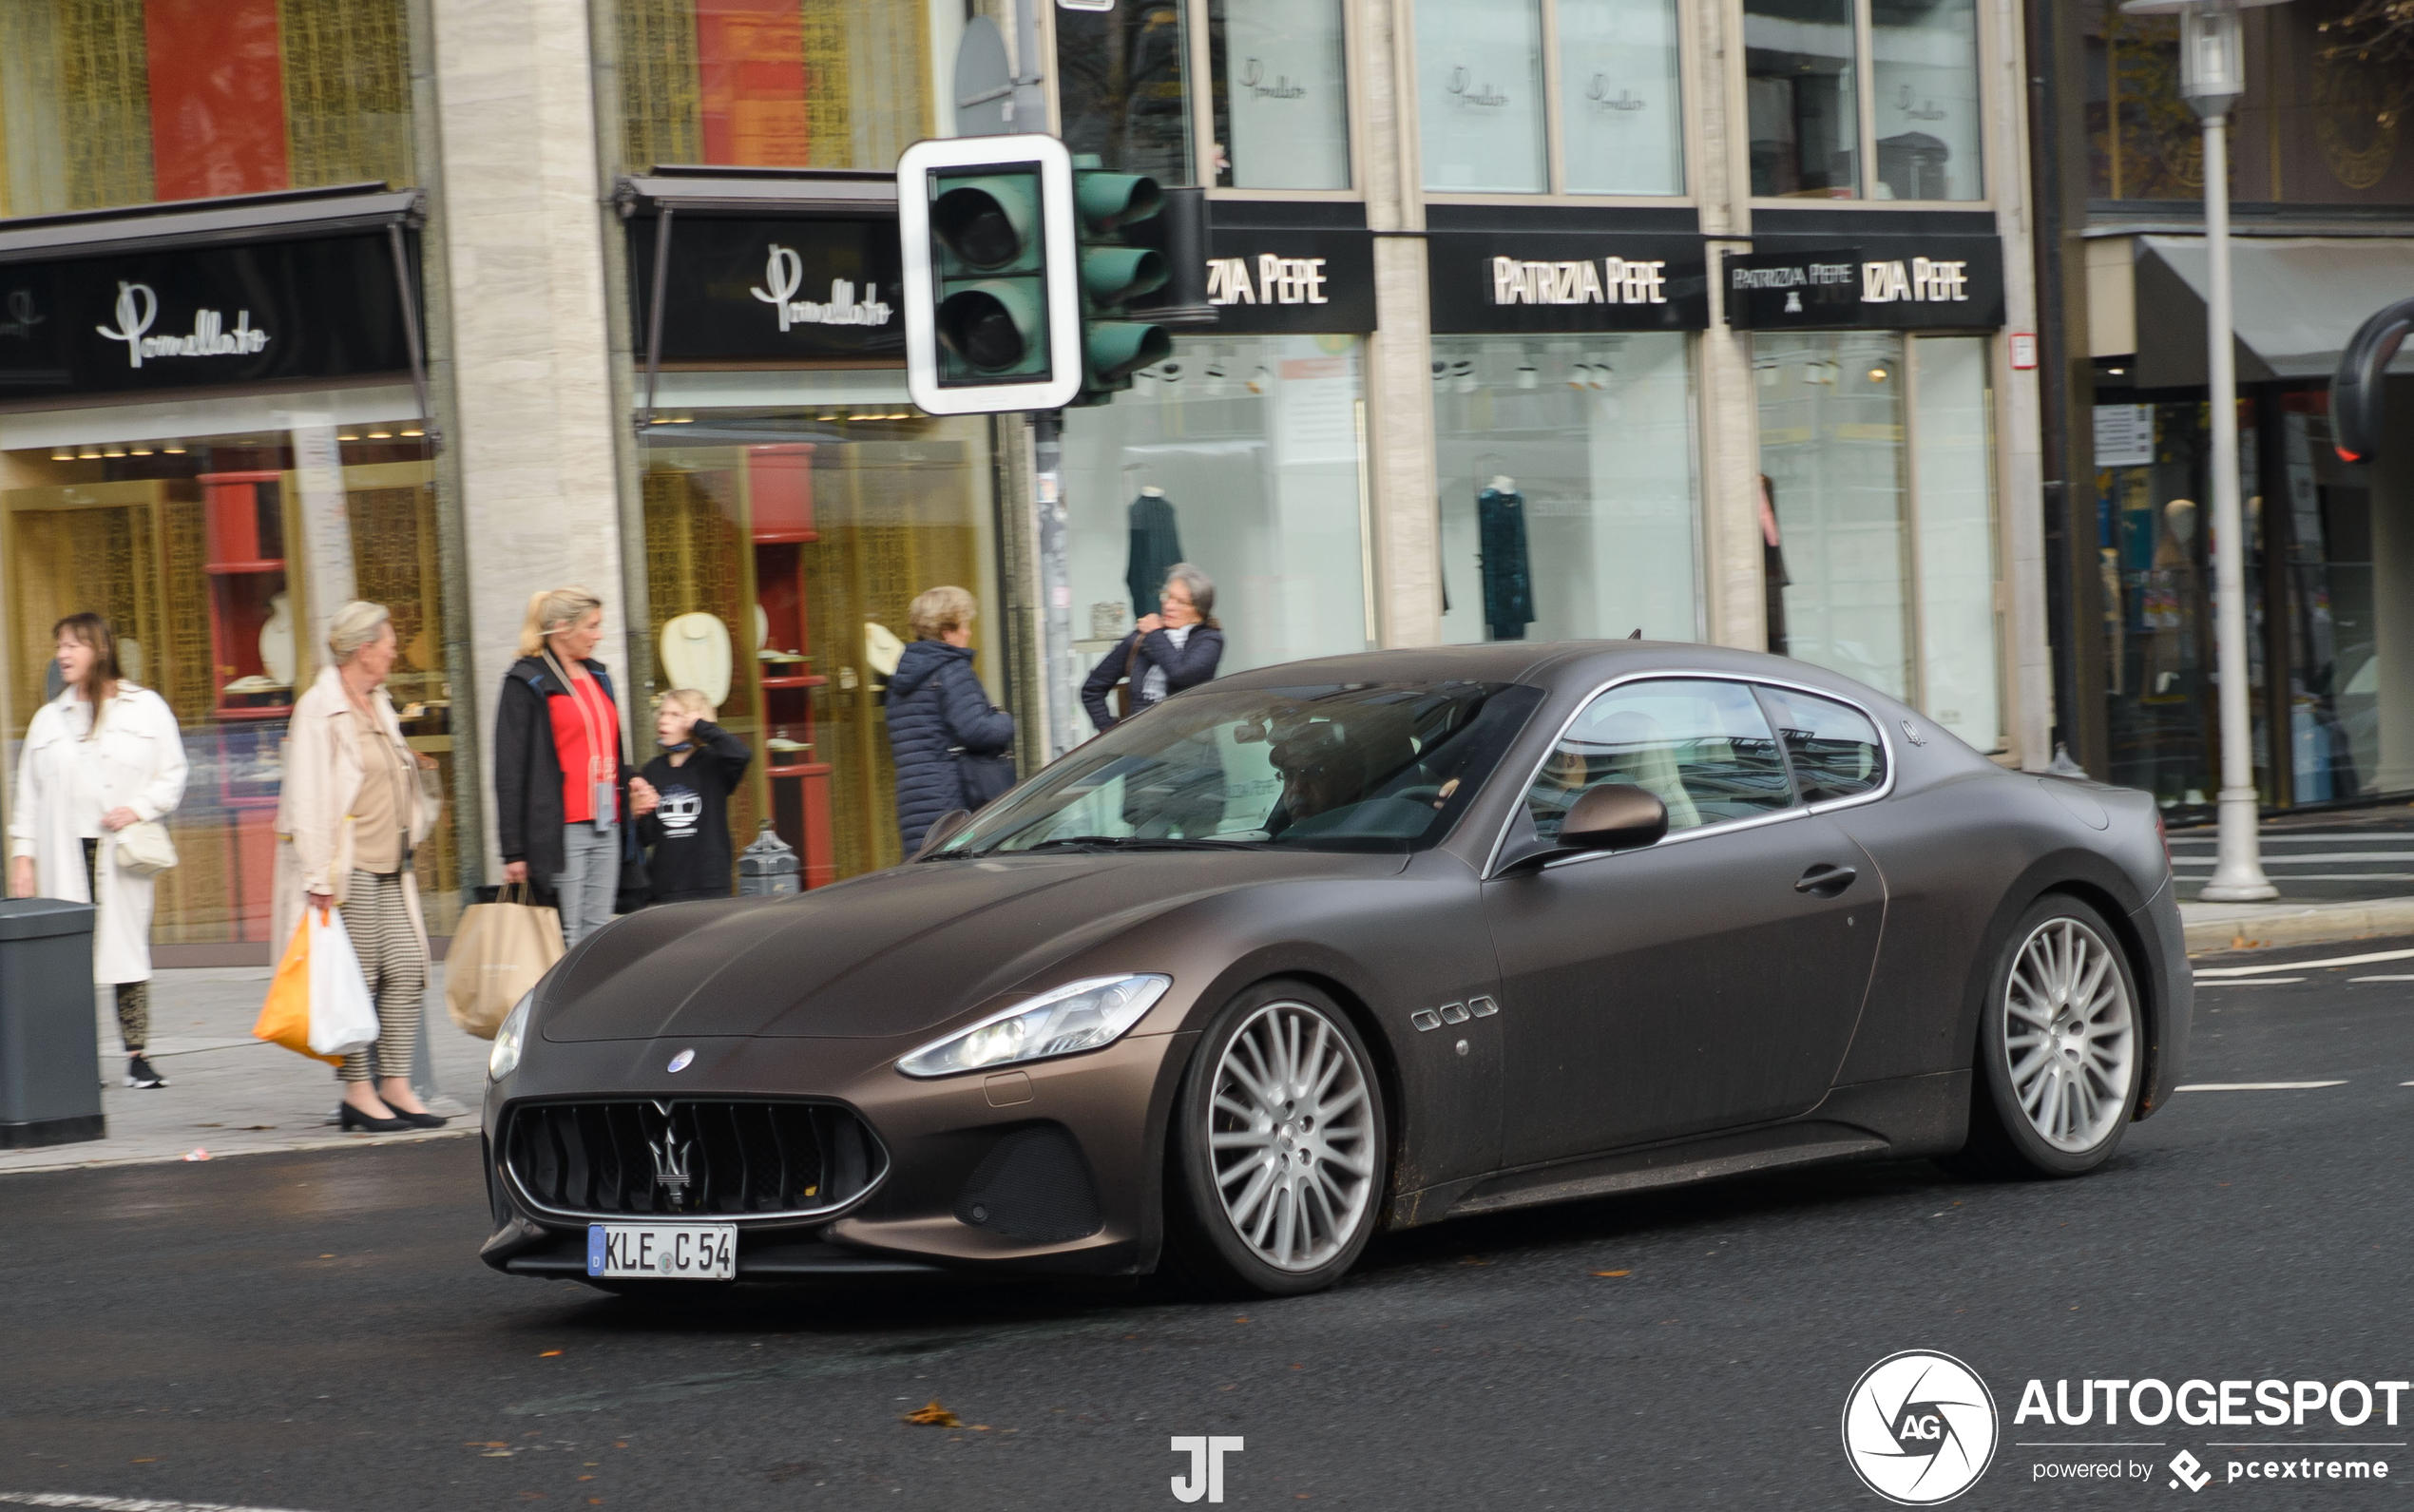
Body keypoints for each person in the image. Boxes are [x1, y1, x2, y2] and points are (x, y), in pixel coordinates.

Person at [277, 602, 446, 1132]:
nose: (396, 651)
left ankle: (394, 1082)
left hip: (392, 862)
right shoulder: (319, 708)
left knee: (408, 969)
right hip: (347, 868)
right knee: (358, 977)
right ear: (364, 649)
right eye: (390, 643)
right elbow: (307, 797)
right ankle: (357, 1090)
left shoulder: (379, 701)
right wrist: (318, 877)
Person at [8, 613, 187, 1089]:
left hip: (118, 852)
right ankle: (75, 1056)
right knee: (67, 959)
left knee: (127, 951)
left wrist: (139, 807)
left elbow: (172, 772)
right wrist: (22, 857)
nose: (63, 655)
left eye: (73, 645)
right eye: (59, 645)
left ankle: (138, 1056)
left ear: (100, 650)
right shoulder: (49, 720)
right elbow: (26, 795)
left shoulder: (145, 708)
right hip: (65, 851)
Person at [491, 587, 654, 947]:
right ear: (563, 628)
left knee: (596, 931)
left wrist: (634, 778)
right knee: (564, 935)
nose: (599, 635)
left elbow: (604, 750)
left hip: (606, 822)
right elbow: (509, 771)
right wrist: (513, 850)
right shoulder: (526, 679)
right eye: (592, 627)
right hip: (561, 828)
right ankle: (559, 1003)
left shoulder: (598, 675)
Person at [887, 585, 1013, 855]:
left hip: (914, 799)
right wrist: (1005, 721)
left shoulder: (901, 678)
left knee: (926, 876)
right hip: (952, 796)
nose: (968, 632)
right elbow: (976, 730)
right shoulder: (952, 669)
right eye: (964, 625)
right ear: (947, 632)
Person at [634, 689, 751, 903]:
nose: (664, 720)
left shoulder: (714, 763)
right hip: (665, 887)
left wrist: (701, 727)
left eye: (675, 715)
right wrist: (636, 813)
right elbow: (647, 837)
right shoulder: (652, 770)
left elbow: (741, 754)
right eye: (662, 713)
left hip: (710, 884)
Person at [1082, 563, 1224, 733]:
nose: (1168, 605)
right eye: (1168, 596)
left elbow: (1182, 673)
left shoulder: (1209, 640)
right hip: (1140, 752)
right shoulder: (1141, 638)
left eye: (1180, 602)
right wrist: (1112, 735)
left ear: (1199, 611)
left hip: (1191, 752)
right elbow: (1092, 689)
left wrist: (1156, 633)